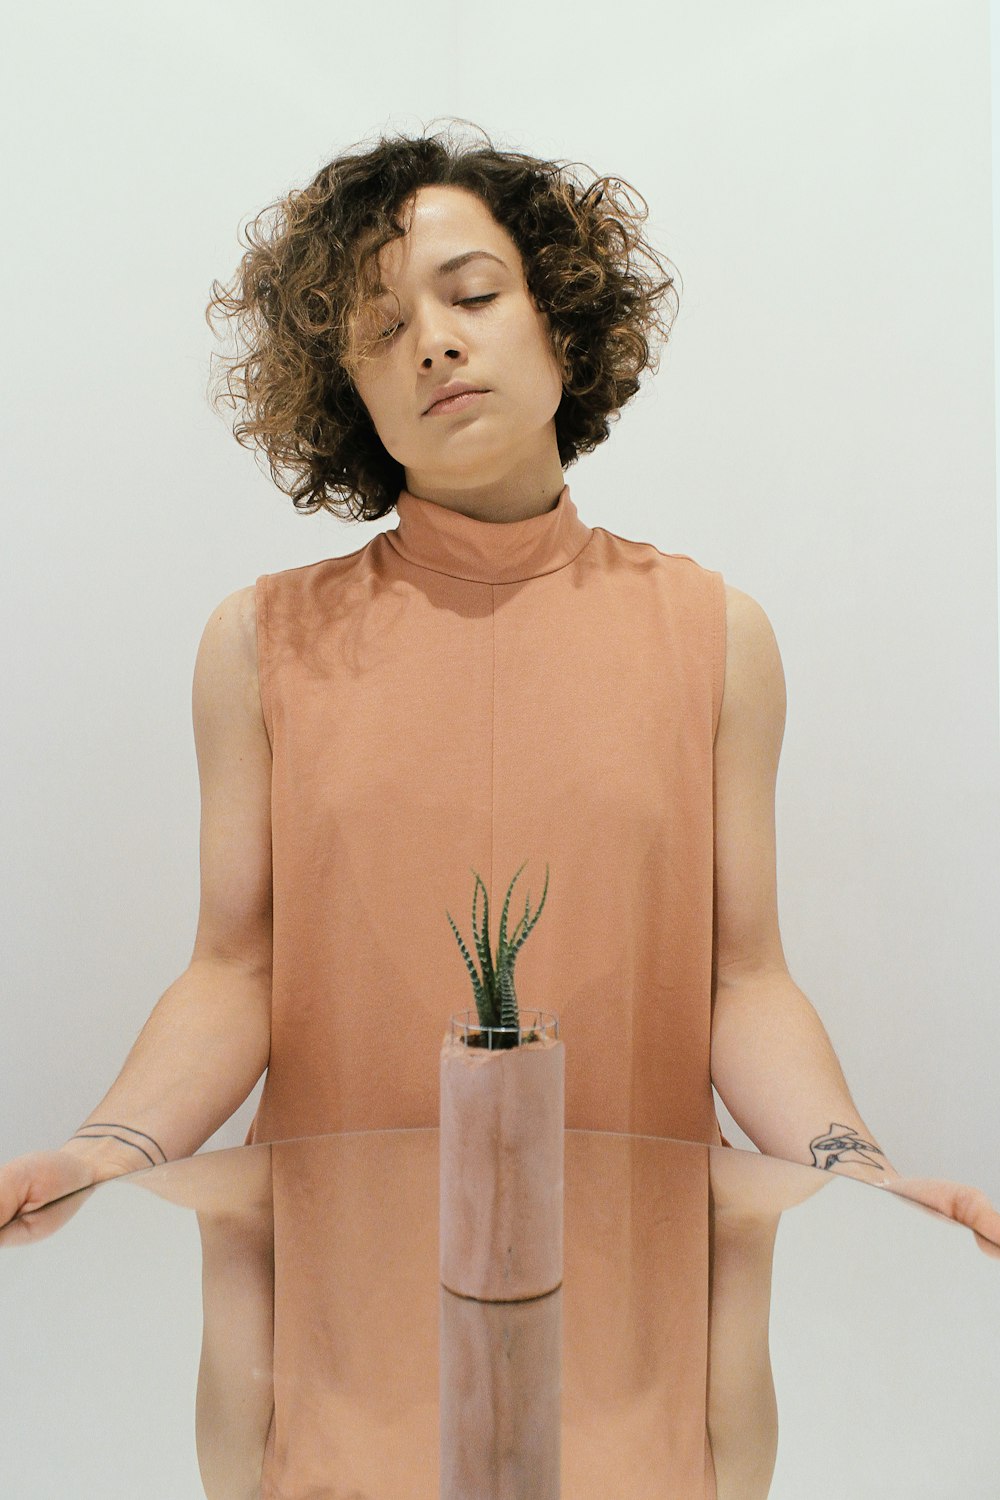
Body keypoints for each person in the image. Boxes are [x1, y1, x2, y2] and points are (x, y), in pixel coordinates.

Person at [2, 120, 998, 1256]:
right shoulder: (259, 643)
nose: (432, 343)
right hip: (332, 1294)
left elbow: (744, 979)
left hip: (636, 1281)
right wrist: (104, 1153)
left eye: (471, 296)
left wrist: (855, 1171)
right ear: (349, 400)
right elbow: (235, 971)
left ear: (560, 324)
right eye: (381, 328)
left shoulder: (715, 634)